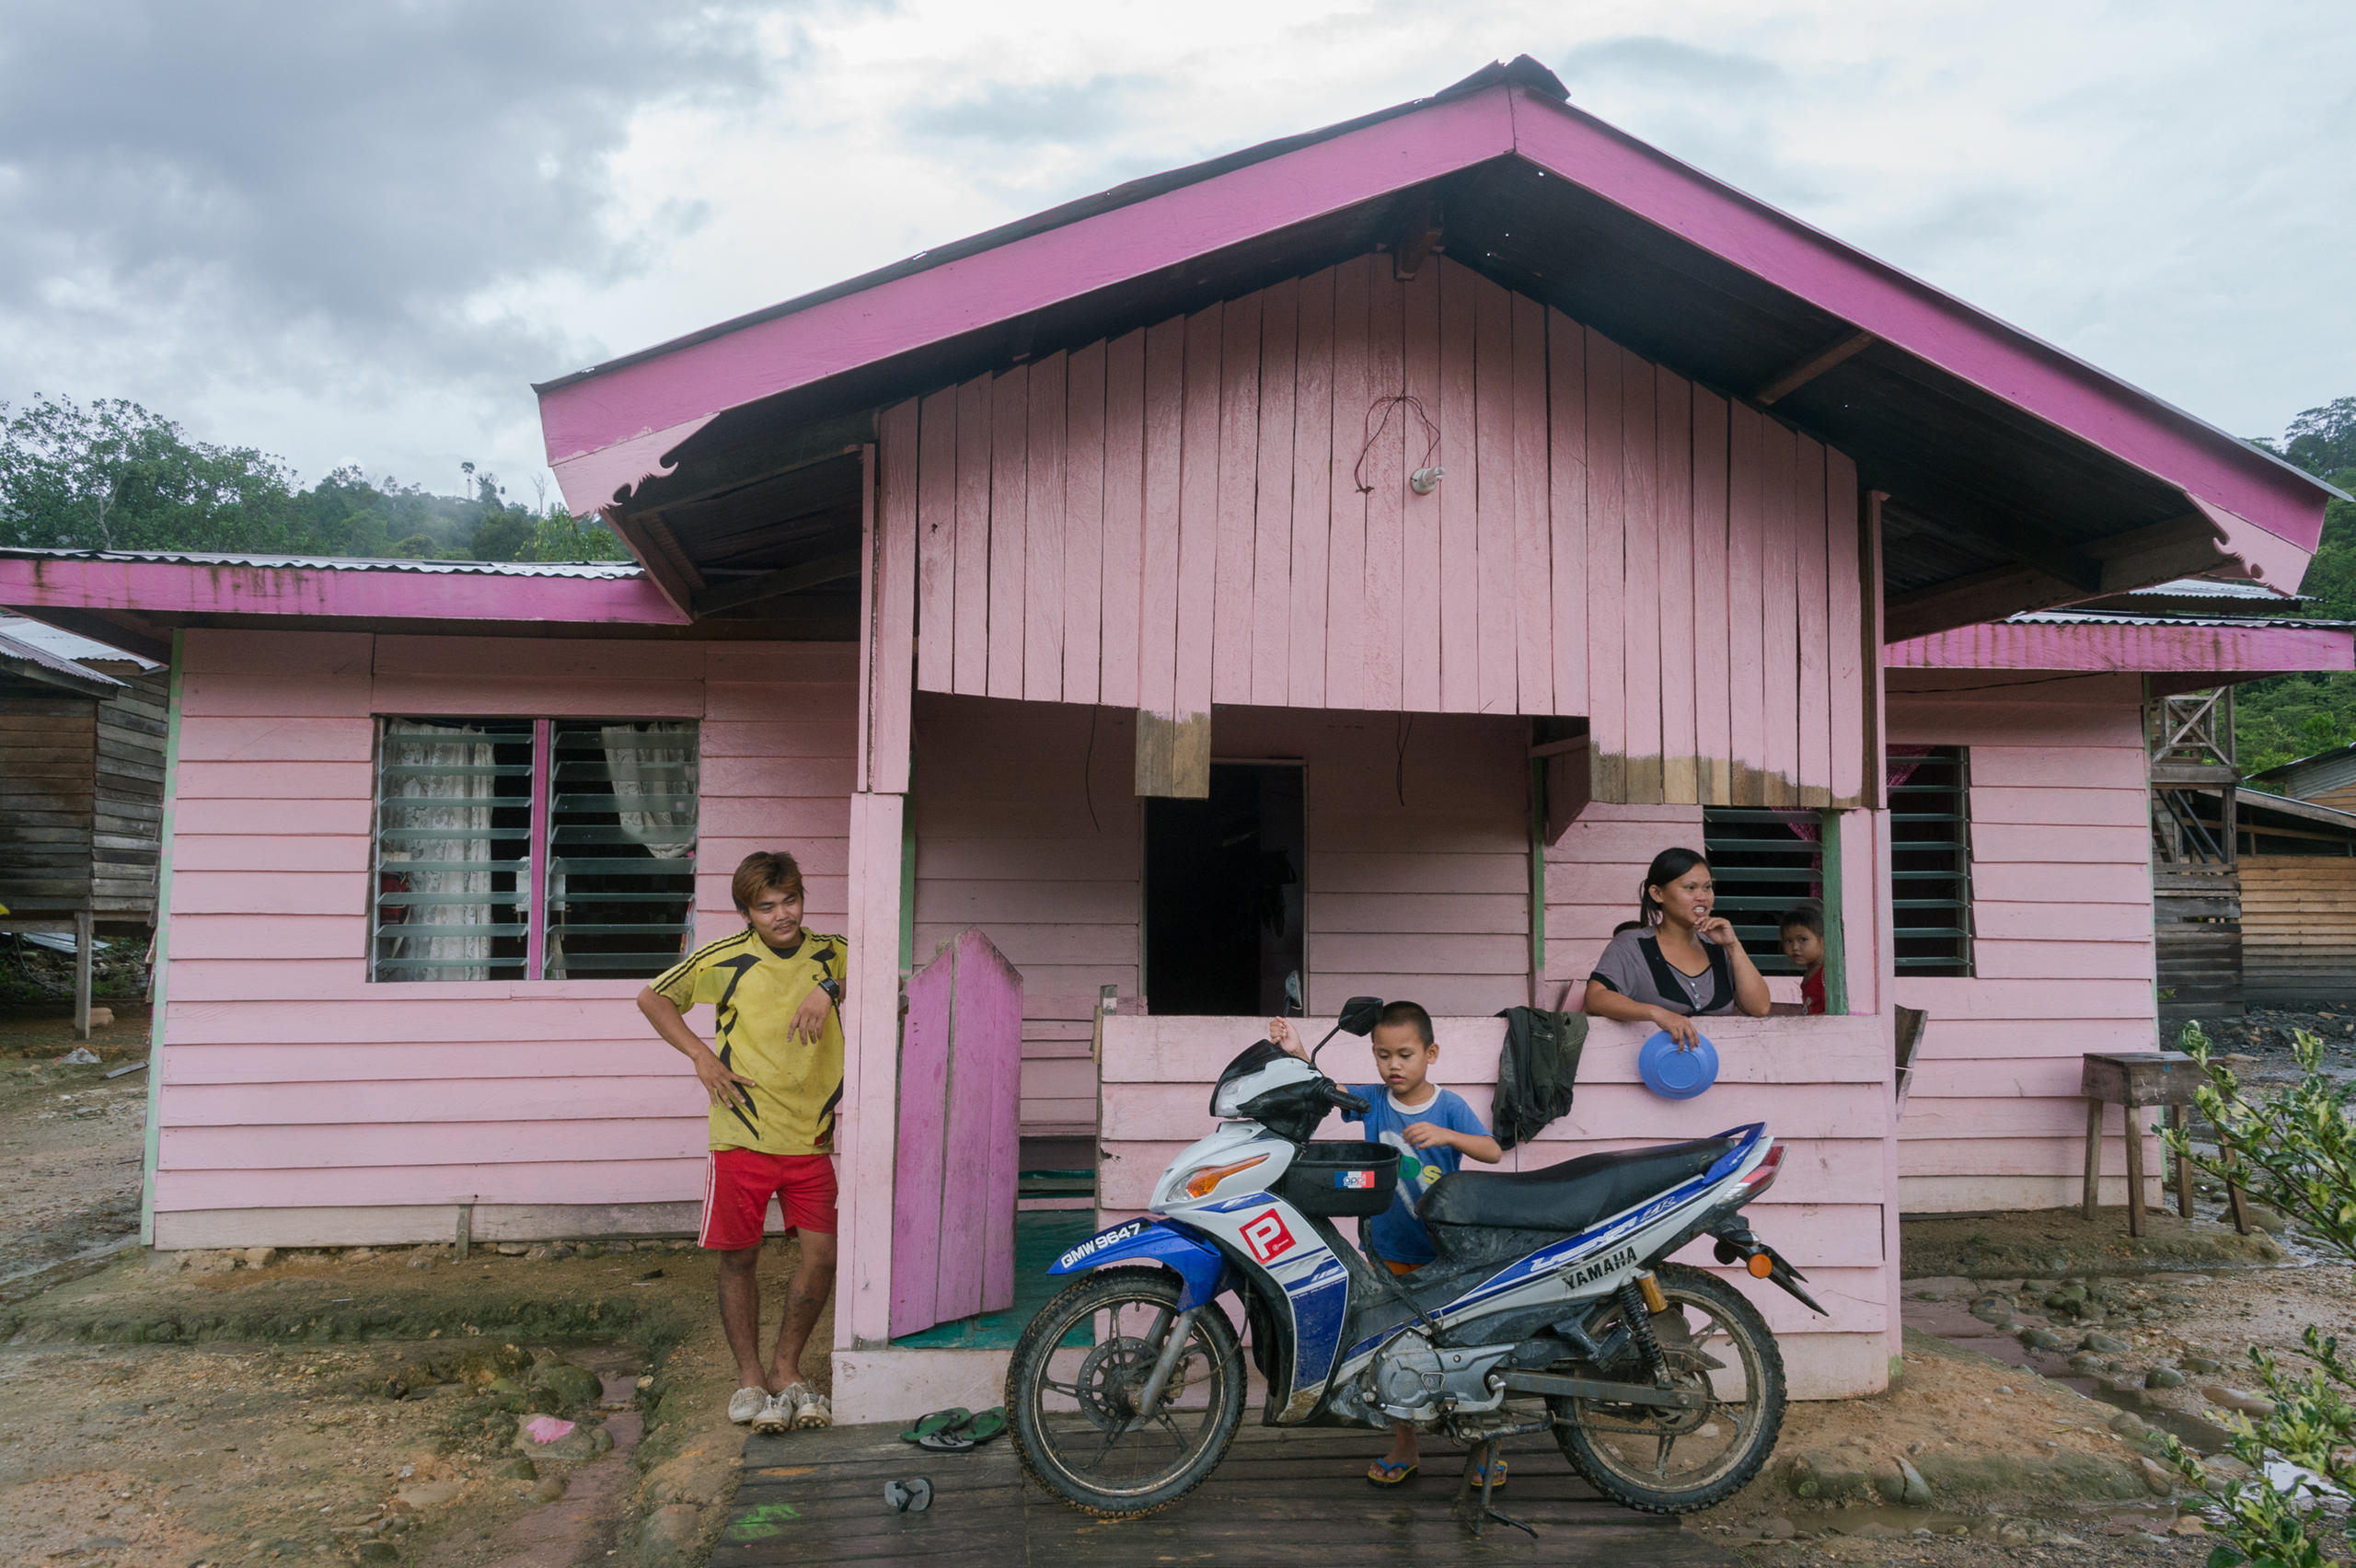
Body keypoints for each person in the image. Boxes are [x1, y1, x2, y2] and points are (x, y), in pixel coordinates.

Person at [638, 850, 845, 1435]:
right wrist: (702, 1056)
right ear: (746, 912)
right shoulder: (725, 958)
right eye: (766, 907)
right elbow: (653, 997)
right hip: (741, 1132)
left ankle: (786, 1368)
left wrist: (829, 987)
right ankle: (751, 1376)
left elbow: (883, 968)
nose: (782, 915)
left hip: (810, 1137)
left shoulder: (832, 952)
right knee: (740, 1257)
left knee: (821, 1257)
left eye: (790, 901)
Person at [1269, 1002, 1501, 1489]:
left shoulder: (1449, 1106)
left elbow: (1493, 1151)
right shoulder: (1375, 1101)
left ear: (1430, 1053)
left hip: (1446, 1253)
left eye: (1404, 1054)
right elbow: (1327, 1091)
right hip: (1389, 1250)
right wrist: (1298, 1051)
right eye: (1382, 1055)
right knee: (1394, 1349)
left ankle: (1483, 1449)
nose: (1393, 1065)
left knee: (1465, 1346)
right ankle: (1405, 1445)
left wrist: (1448, 1135)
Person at [1582, 847, 1770, 1043]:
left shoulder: (1718, 947)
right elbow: (1596, 997)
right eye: (1690, 887)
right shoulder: (1631, 945)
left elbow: (1759, 1008)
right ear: (1657, 893)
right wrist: (1656, 1013)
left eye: (1707, 887)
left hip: (1729, 1069)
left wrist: (1733, 946)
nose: (1702, 896)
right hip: (1650, 1068)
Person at [1780, 901, 1828, 1016]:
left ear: (1823, 940)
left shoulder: (1827, 974)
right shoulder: (1812, 972)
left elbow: (1834, 1014)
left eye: (1803, 939)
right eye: (1789, 941)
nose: (1795, 947)